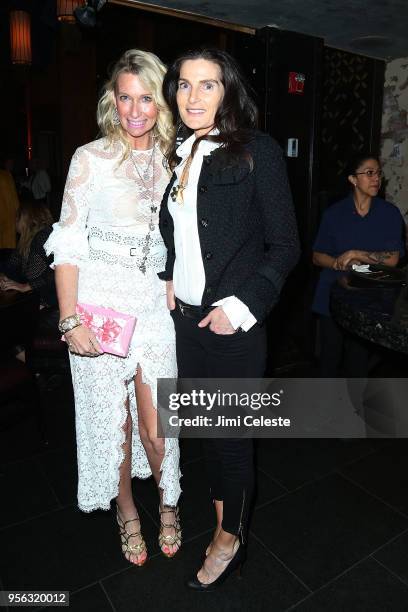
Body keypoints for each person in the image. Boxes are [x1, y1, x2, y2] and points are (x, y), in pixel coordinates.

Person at [160, 48, 300, 589]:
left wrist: (241, 307)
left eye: (207, 85)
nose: (192, 97)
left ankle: (231, 537)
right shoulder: (179, 155)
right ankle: (226, 526)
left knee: (233, 437)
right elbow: (184, 235)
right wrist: (171, 277)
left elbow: (285, 244)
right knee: (208, 432)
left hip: (232, 324)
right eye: (184, 85)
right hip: (188, 320)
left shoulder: (254, 151)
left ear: (228, 92)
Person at [44, 49, 181, 566]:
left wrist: (173, 279)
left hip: (151, 304)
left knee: (157, 423)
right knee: (113, 426)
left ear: (161, 101)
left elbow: (184, 235)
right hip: (99, 304)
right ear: (112, 100)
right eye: (125, 97)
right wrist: (69, 317)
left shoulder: (177, 157)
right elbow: (68, 244)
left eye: (146, 97)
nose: (135, 109)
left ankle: (168, 503)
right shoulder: (90, 157)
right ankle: (127, 512)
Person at [312, 153, 405, 377]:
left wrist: (356, 254)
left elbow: (392, 259)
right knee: (329, 357)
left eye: (379, 174)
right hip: (333, 292)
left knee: (358, 360)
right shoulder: (334, 214)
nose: (376, 179)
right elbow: (316, 256)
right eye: (369, 173)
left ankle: (352, 410)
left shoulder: (389, 214)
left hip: (370, 295)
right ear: (353, 180)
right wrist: (339, 262)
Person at [0, 197, 57, 361]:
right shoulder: (26, 241)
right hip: (39, 302)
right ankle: (33, 369)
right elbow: (10, 266)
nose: (14, 221)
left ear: (26, 219)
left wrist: (27, 286)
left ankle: (35, 369)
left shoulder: (44, 237)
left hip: (53, 305)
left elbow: (57, 269)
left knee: (9, 328)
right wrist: (3, 276)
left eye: (17, 217)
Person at [0, 167, 19, 249]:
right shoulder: (7, 175)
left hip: (8, 217)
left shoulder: (6, 175)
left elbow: (14, 198)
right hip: (9, 217)